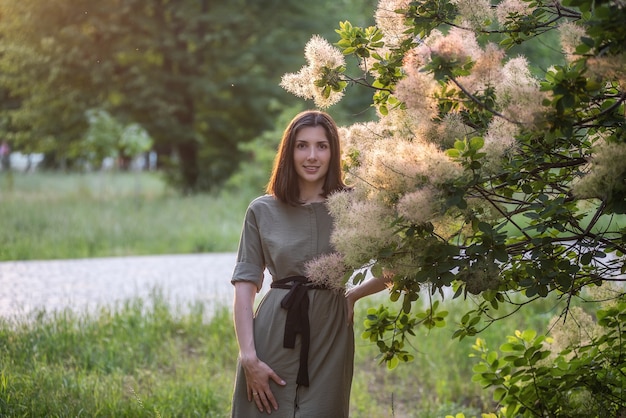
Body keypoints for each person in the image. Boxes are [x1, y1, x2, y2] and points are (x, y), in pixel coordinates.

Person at [230, 110, 390, 417]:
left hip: (330, 338)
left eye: (322, 146)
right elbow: (244, 287)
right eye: (302, 146)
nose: (312, 156)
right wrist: (249, 357)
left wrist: (353, 294)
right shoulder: (262, 210)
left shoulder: (355, 206)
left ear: (334, 152)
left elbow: (397, 268)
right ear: (289, 152)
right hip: (273, 334)